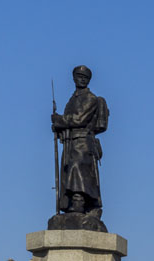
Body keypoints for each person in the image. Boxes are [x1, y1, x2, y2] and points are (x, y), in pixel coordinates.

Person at [51, 65, 109, 216]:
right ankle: (71, 204)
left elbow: (79, 119)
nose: (82, 80)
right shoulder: (72, 99)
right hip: (70, 142)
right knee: (68, 173)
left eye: (85, 78)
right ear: (74, 78)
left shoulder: (91, 99)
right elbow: (70, 123)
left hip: (83, 143)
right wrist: (58, 128)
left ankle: (80, 203)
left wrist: (59, 120)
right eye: (79, 77)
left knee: (78, 172)